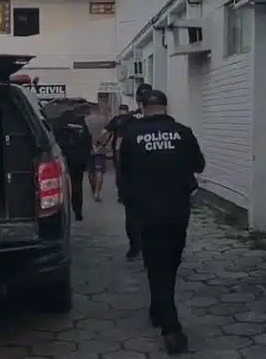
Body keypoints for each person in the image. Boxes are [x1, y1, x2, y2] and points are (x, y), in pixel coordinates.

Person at [119, 89, 205, 355]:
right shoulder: (183, 133)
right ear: (167, 107)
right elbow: (199, 165)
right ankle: (165, 317)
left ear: (143, 107)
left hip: (147, 212)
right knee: (171, 262)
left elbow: (123, 173)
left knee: (156, 266)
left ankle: (168, 323)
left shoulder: (131, 135)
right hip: (177, 211)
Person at [117, 83, 153, 261]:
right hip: (154, 174)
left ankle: (135, 247)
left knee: (132, 213)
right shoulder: (162, 120)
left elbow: (119, 147)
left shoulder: (128, 119)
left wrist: (120, 173)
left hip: (133, 174)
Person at [53, 104, 93, 221]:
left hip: (63, 155)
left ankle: (60, 209)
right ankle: (77, 210)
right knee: (77, 184)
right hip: (78, 157)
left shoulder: (61, 121)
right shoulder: (82, 123)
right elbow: (87, 140)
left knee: (61, 184)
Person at [98, 104, 131, 203]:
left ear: (119, 110)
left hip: (118, 149)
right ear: (127, 110)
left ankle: (121, 195)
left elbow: (105, 131)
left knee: (119, 172)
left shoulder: (116, 119)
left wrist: (99, 141)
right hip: (131, 148)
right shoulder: (132, 119)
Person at [84, 105, 109, 201]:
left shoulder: (86, 120)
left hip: (89, 148)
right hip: (101, 148)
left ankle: (93, 188)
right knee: (99, 171)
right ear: (98, 110)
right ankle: (97, 192)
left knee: (90, 171)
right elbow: (108, 133)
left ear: (90, 110)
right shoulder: (104, 119)